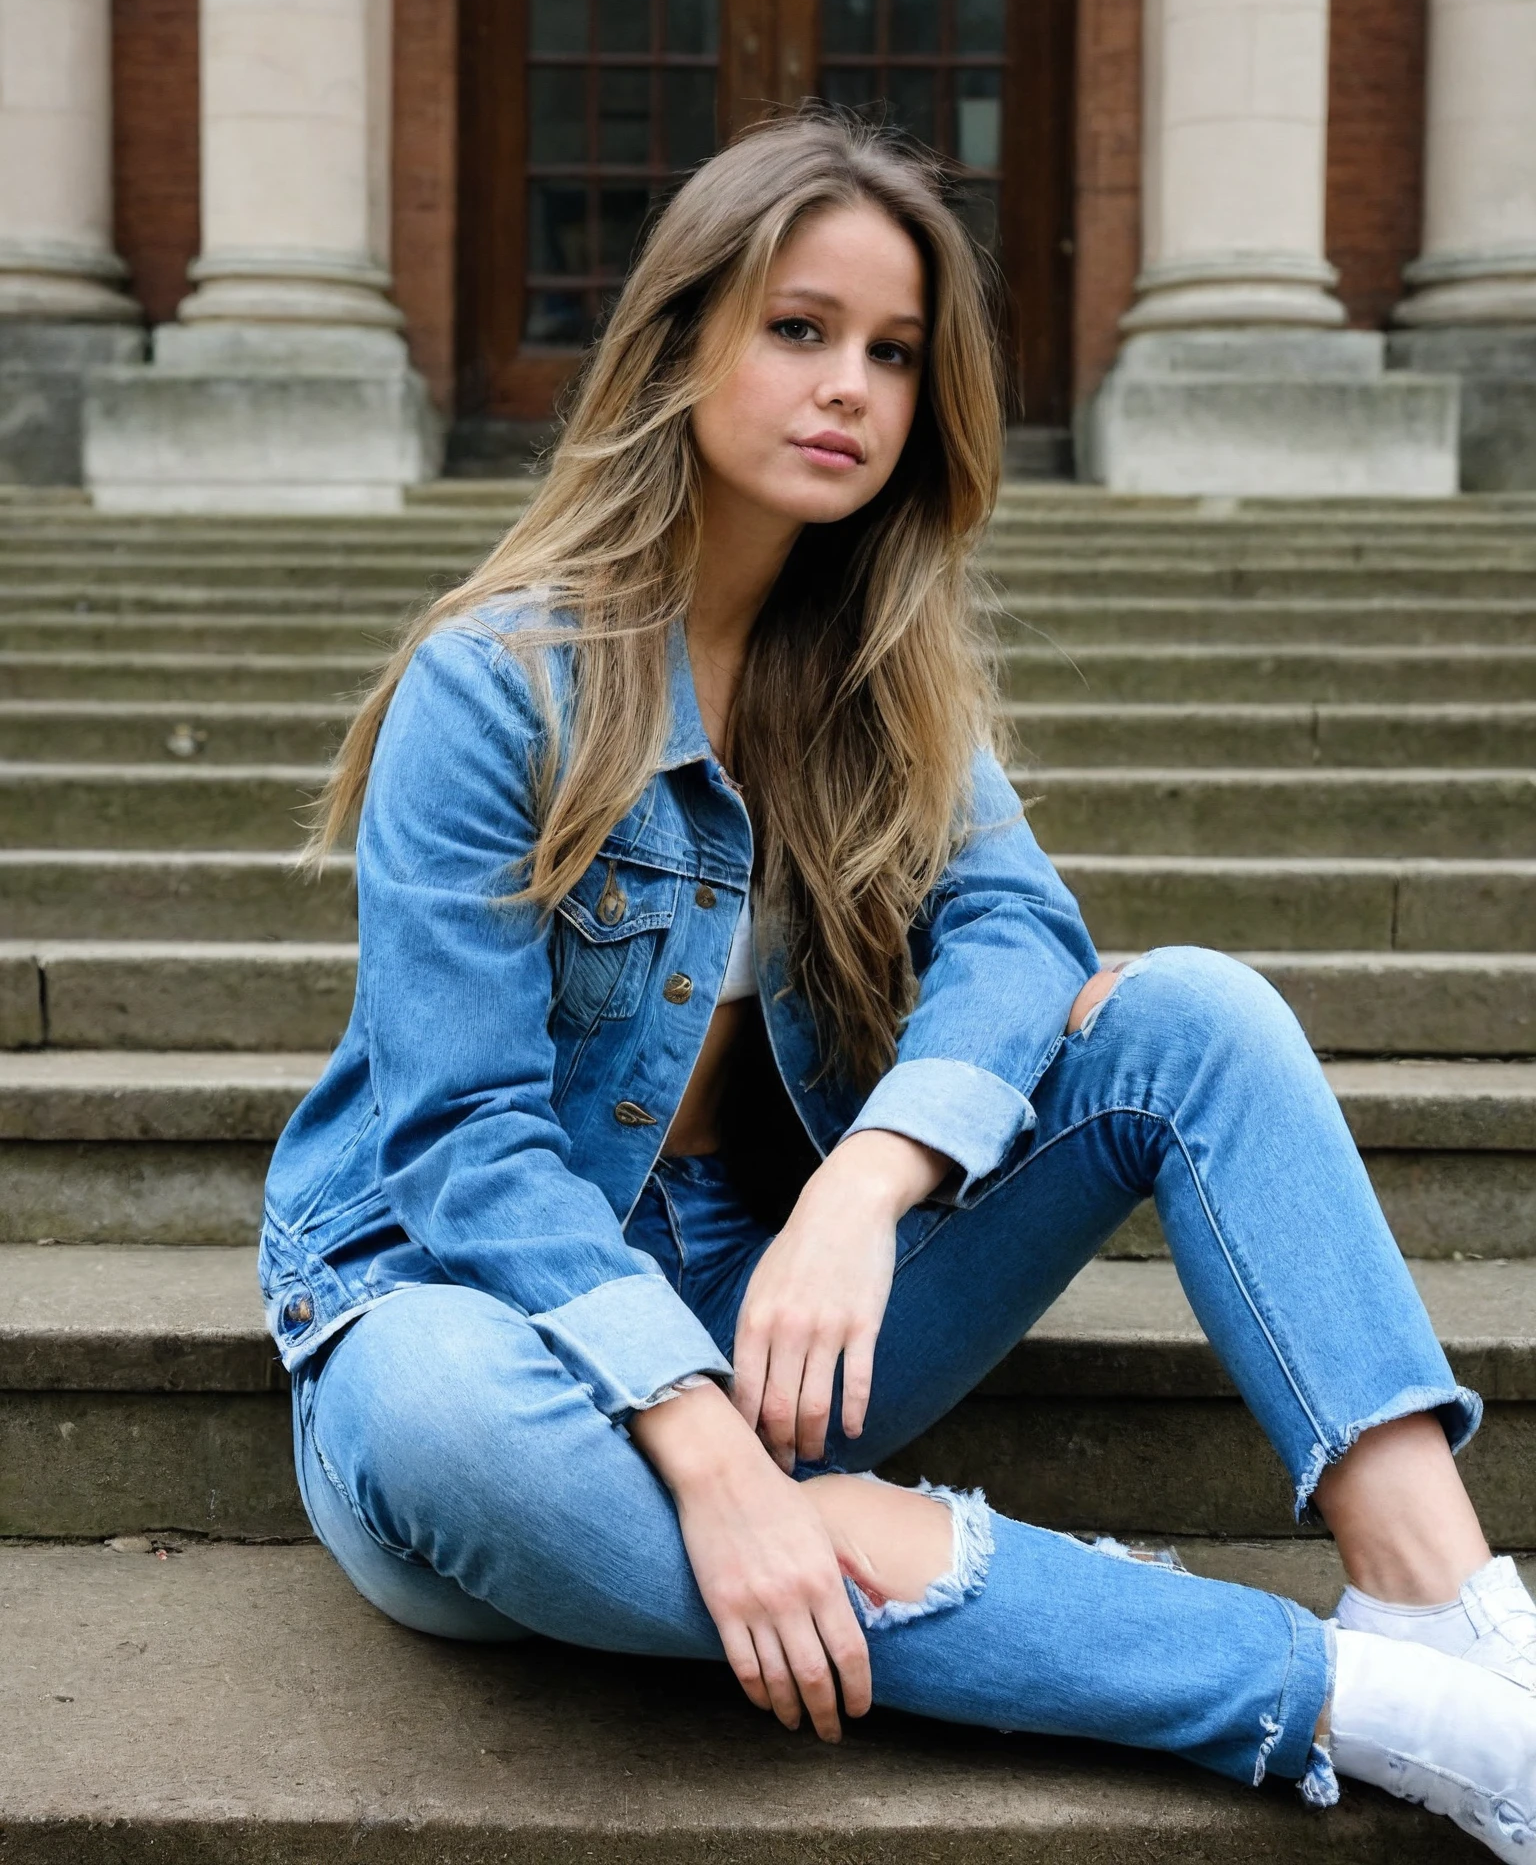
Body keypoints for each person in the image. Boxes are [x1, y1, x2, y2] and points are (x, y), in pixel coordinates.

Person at [261, 110, 1536, 1856]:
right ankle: (1322, 1693)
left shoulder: (881, 673)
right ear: (682, 341)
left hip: (791, 1303)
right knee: (441, 1422)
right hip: (498, 1322)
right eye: (798, 329)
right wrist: (711, 1460)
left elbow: (1023, 936)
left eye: (893, 352)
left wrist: (869, 1183)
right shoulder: (496, 686)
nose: (849, 385)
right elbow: (466, 1140)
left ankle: (1440, 1607)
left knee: (1194, 1015)